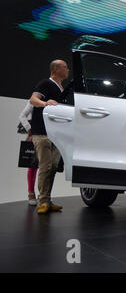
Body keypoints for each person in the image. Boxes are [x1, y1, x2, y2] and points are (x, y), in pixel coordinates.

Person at [29, 59, 69, 215]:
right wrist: (45, 103)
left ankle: (47, 199)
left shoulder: (61, 88)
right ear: (56, 69)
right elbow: (33, 99)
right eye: (65, 67)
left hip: (55, 134)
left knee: (52, 168)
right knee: (45, 167)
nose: (68, 70)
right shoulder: (46, 83)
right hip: (42, 132)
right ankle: (43, 202)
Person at [19, 102, 38, 206]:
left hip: (49, 135)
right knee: (33, 165)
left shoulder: (53, 99)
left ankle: (44, 196)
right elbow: (22, 116)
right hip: (35, 136)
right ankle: (31, 193)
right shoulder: (34, 99)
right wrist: (29, 129)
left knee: (47, 168)